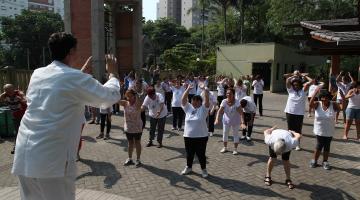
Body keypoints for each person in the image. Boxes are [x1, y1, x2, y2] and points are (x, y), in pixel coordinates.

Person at [11, 32, 121, 200]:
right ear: (71, 52)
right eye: (76, 50)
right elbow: (107, 98)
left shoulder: (38, 74)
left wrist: (81, 73)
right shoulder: (74, 78)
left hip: (25, 156)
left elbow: (62, 87)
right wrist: (113, 74)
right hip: (52, 161)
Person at [180, 84, 210, 178]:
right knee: (189, 153)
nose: (195, 101)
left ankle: (204, 169)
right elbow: (183, 100)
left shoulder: (203, 109)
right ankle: (188, 167)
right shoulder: (188, 108)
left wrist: (205, 90)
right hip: (188, 136)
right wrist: (188, 89)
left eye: (198, 100)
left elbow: (207, 102)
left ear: (201, 102)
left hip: (201, 136)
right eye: (194, 100)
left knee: (201, 154)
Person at [309, 88, 340, 170]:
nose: (325, 99)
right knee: (319, 144)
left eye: (326, 97)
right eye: (323, 97)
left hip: (329, 130)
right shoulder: (317, 104)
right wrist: (315, 92)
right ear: (320, 97)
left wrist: (343, 97)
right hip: (319, 129)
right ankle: (314, 160)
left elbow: (342, 107)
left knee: (327, 146)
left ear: (329, 97)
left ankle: (325, 161)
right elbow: (310, 104)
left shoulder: (333, 104)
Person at [284, 72, 311, 150]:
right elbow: (287, 80)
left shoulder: (303, 91)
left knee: (298, 129)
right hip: (289, 112)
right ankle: (290, 143)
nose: (295, 86)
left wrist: (304, 76)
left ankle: (297, 144)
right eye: (294, 85)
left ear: (300, 85)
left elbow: (311, 82)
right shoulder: (290, 90)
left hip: (299, 113)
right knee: (290, 129)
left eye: (297, 85)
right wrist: (294, 76)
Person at [215, 88, 246, 155]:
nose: (228, 94)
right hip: (226, 120)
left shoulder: (237, 102)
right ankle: (225, 147)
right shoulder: (224, 101)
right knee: (225, 134)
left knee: (235, 135)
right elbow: (219, 112)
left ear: (233, 94)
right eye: (227, 93)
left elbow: (241, 113)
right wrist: (217, 119)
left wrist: (242, 123)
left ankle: (235, 149)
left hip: (235, 121)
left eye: (230, 93)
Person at [0, 84, 27, 154]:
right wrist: (3, 94)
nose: (9, 92)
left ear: (13, 89)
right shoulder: (5, 95)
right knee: (18, 131)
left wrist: (21, 99)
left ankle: (25, 146)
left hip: (24, 116)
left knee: (25, 131)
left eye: (10, 90)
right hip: (15, 116)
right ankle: (16, 147)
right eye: (7, 91)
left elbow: (26, 101)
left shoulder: (19, 93)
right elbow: (1, 98)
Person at [119, 89, 143, 166]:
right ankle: (129, 158)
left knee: (137, 142)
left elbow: (140, 102)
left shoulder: (137, 103)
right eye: (127, 95)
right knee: (130, 143)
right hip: (128, 127)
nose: (128, 97)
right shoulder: (125, 103)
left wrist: (136, 94)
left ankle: (138, 160)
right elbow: (116, 100)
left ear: (134, 96)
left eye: (130, 95)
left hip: (137, 127)